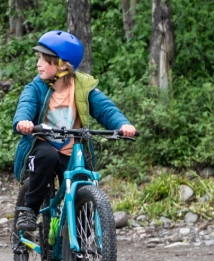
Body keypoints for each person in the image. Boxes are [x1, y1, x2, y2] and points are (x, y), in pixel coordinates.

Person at [11, 30, 135, 235]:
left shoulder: (83, 87)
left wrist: (123, 125)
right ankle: (29, 210)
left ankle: (82, 231)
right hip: (42, 146)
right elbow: (26, 105)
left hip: (72, 149)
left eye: (44, 59)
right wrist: (23, 121)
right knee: (47, 157)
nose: (38, 64)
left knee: (82, 178)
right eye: (38, 58)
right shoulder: (36, 87)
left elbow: (106, 109)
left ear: (62, 65)